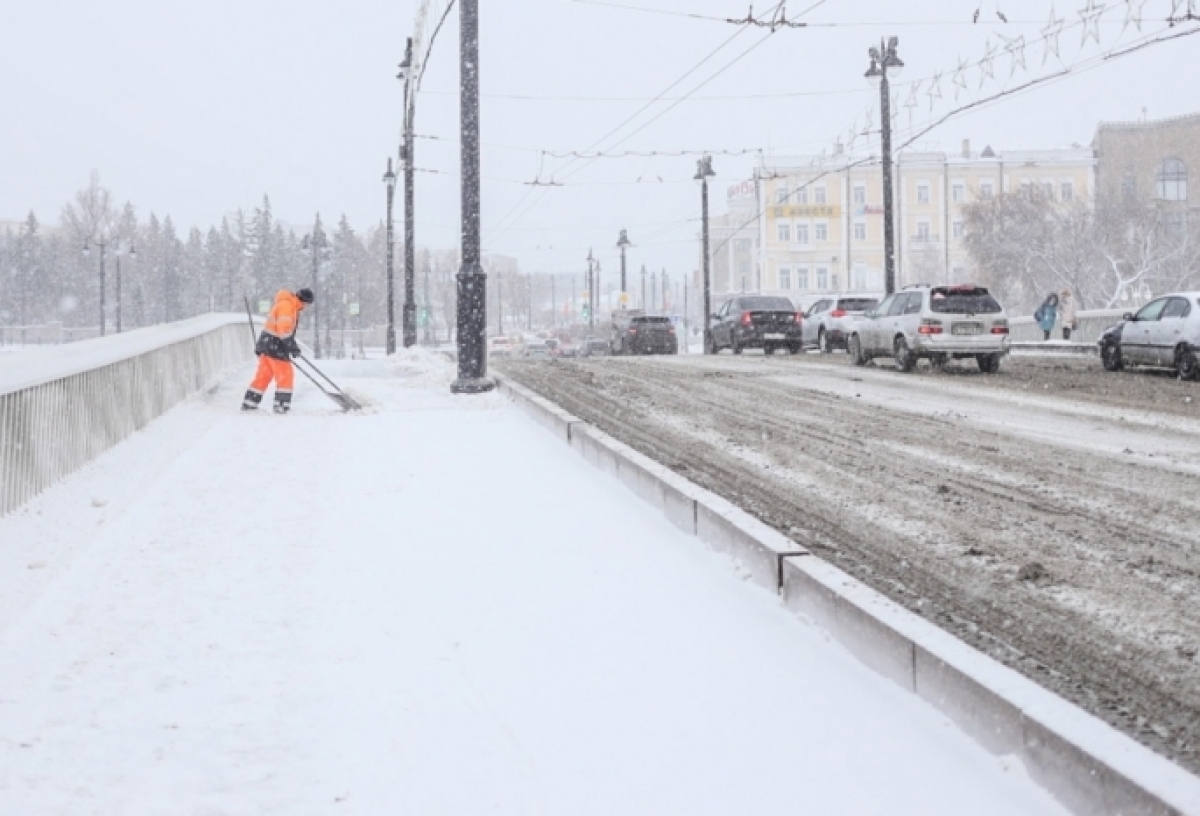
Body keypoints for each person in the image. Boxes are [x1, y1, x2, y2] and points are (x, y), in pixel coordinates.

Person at [242, 288, 314, 414]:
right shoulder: (288, 306)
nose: (306, 307)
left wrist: (290, 346)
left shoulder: (286, 304)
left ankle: (250, 403)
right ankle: (281, 406)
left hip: (267, 344)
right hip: (275, 346)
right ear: (304, 301)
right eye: (307, 304)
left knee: (263, 376)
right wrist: (292, 346)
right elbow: (284, 329)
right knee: (286, 375)